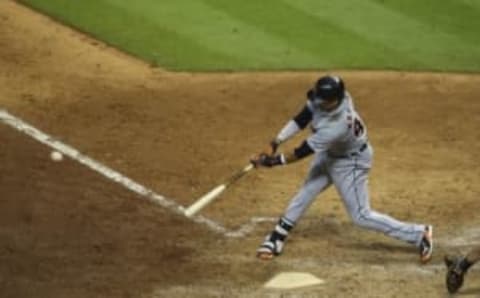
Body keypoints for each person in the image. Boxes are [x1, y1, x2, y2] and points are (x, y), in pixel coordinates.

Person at [250, 75, 433, 263]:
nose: (317, 103)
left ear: (335, 100)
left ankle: (419, 233)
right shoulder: (332, 98)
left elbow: (301, 152)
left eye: (323, 101)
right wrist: (274, 143)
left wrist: (271, 162)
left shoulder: (337, 125)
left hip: (350, 163)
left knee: (361, 216)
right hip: (330, 153)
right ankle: (276, 238)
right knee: (307, 191)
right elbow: (301, 118)